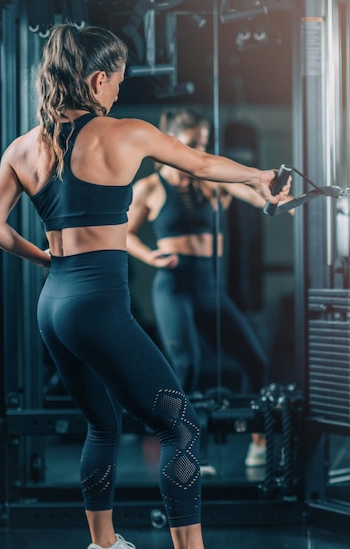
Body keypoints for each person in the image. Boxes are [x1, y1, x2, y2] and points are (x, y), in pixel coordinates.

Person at [0, 23, 289, 549]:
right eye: (116, 81)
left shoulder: (24, 146)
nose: (118, 92)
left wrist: (43, 257)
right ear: (97, 79)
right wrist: (260, 176)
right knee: (181, 426)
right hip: (97, 305)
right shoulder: (125, 135)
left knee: (103, 421)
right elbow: (202, 163)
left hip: (55, 305)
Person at [126, 109, 275, 470]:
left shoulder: (211, 183)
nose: (200, 152)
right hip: (174, 286)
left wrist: (276, 200)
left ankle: (259, 442)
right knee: (187, 367)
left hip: (211, 287)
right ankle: (187, 454)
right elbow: (122, 233)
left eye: (204, 145)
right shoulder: (148, 187)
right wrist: (151, 257)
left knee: (257, 362)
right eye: (193, 144)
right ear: (173, 143)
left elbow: (254, 196)